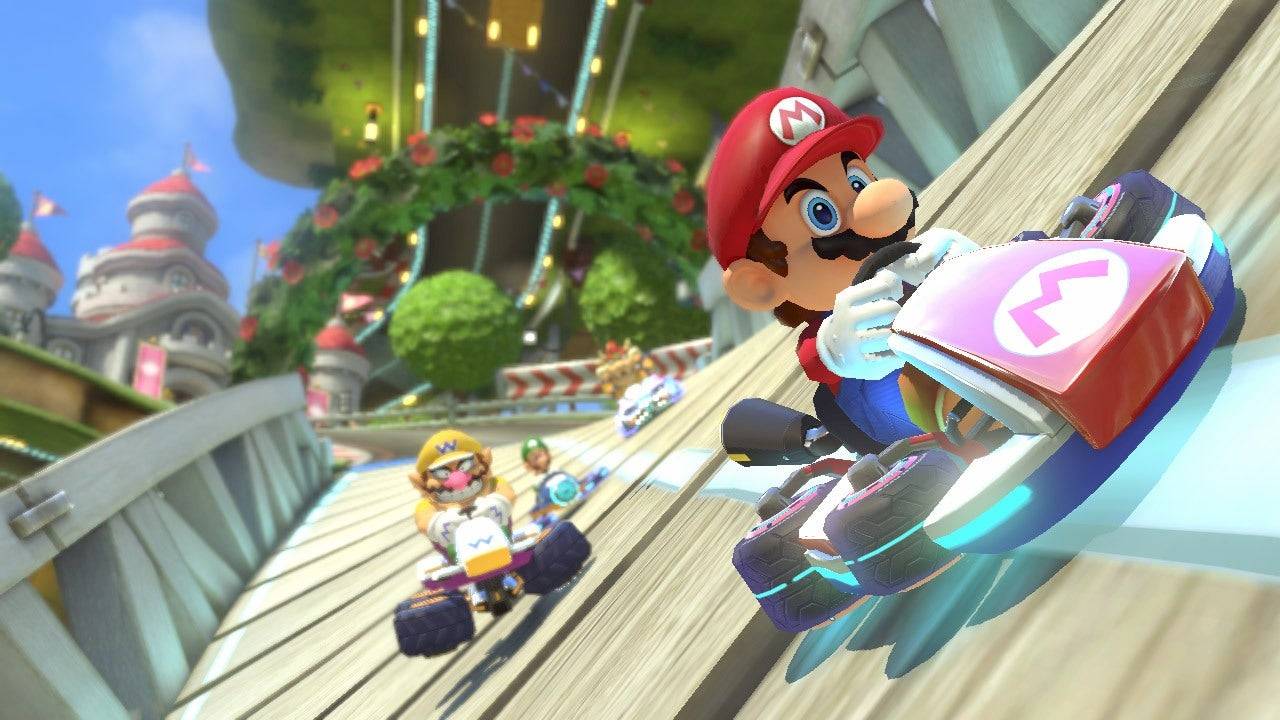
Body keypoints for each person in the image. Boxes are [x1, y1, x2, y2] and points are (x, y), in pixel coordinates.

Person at [704, 87, 980, 453]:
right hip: (914, 421)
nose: (869, 207)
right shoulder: (837, 330)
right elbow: (823, 357)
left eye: (858, 183)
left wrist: (978, 267)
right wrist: (840, 346)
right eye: (821, 213)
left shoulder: (921, 258)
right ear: (759, 283)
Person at [408, 429, 517, 559]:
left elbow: (508, 494)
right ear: (421, 482)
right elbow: (423, 521)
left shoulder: (494, 483)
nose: (458, 480)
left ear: (485, 461)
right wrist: (438, 523)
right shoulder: (429, 503)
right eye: (442, 473)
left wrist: (497, 502)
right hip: (457, 553)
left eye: (465, 465)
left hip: (502, 541)